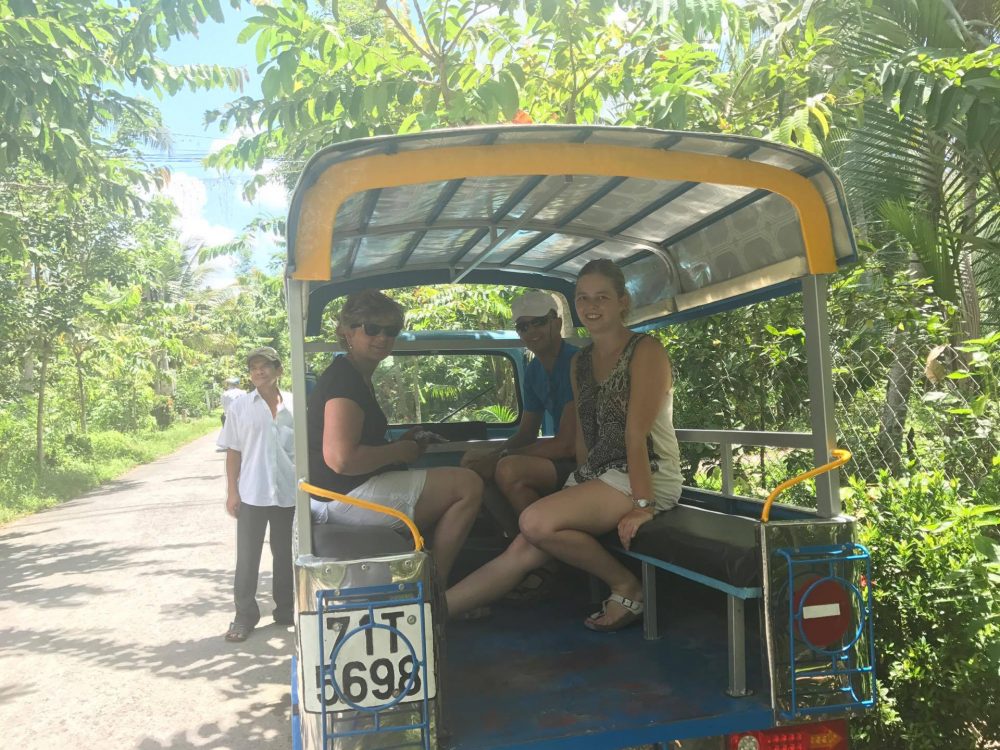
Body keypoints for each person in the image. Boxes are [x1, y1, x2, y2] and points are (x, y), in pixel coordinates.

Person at [445, 259, 682, 631]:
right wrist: (581, 480)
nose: (591, 306)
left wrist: (643, 506)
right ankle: (434, 613)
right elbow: (585, 435)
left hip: (648, 475)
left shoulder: (645, 350)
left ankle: (627, 587)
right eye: (583, 298)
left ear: (622, 301)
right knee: (523, 547)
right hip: (602, 474)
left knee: (535, 520)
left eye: (602, 297)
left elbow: (636, 436)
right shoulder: (582, 362)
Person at [307, 289, 483, 585]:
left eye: (391, 330)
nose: (382, 337)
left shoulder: (354, 375)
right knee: (469, 485)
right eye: (371, 328)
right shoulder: (344, 381)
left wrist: (401, 443)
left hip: (338, 493)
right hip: (340, 496)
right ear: (348, 332)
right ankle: (435, 588)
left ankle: (423, 577)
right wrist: (399, 452)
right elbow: (341, 459)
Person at [462, 290, 578, 521]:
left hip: (586, 461)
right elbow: (526, 433)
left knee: (509, 469)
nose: (531, 331)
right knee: (471, 460)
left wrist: (501, 456)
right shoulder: (534, 371)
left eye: (539, 322)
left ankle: (538, 541)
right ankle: (520, 538)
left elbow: (567, 445)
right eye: (523, 327)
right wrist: (491, 454)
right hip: (563, 459)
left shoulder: (577, 363)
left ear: (557, 322)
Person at [217, 346, 295, 643]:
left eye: (264, 366)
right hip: (252, 492)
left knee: (285, 554)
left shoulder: (295, 403)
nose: (258, 372)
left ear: (278, 370)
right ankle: (244, 615)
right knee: (248, 557)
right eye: (253, 367)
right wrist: (232, 491)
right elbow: (234, 452)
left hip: (287, 492)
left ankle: (286, 609)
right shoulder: (239, 408)